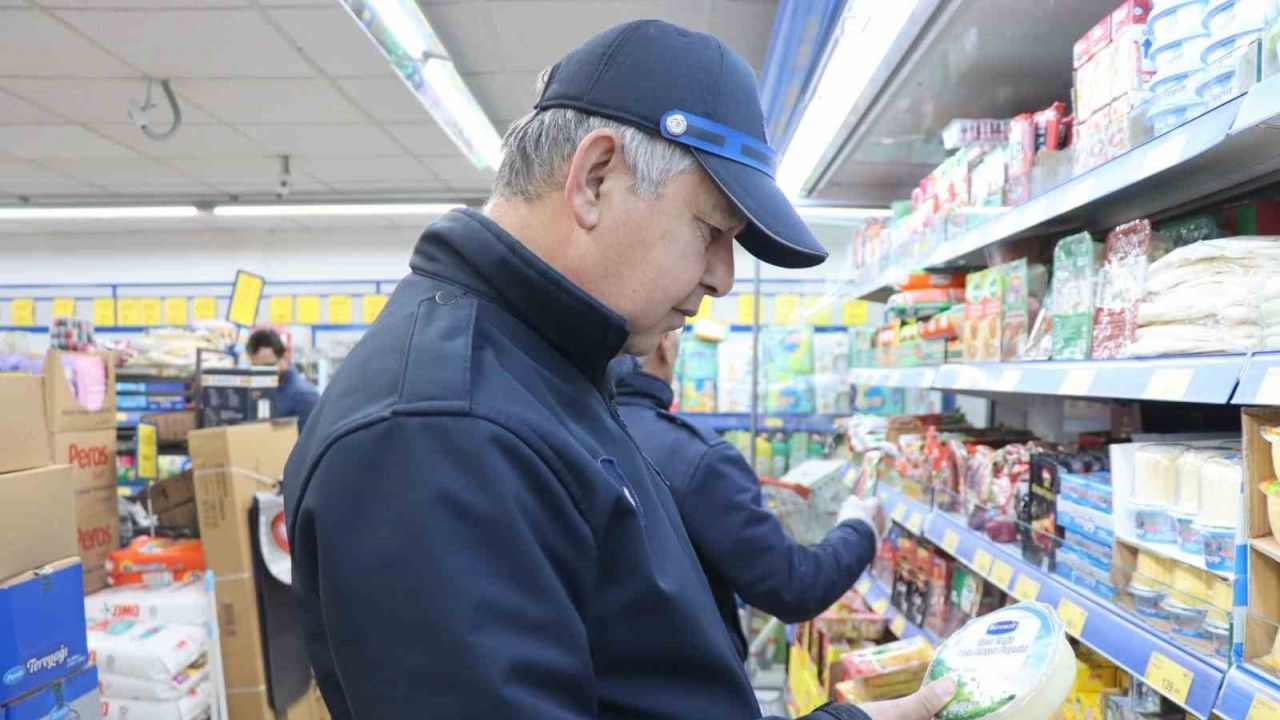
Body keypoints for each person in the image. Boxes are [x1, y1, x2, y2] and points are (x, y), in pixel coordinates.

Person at [283, 20, 953, 720]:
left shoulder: (546, 370)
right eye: (712, 230)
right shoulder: (440, 434)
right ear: (595, 179)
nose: (724, 277)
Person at [615, 333, 883, 660]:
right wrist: (859, 527)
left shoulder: (573, 428)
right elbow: (792, 586)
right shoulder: (696, 458)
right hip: (681, 677)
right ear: (664, 345)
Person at [245, 327, 320, 430]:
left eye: (268, 367)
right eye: (256, 368)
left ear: (283, 358)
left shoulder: (305, 395)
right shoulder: (257, 391)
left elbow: (312, 437)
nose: (262, 373)